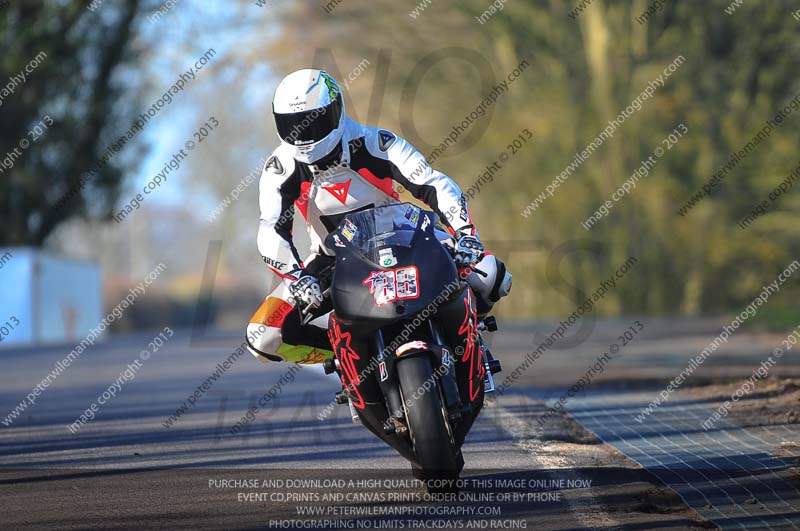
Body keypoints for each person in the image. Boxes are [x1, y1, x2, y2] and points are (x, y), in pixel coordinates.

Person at [245, 69, 511, 364]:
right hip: (333, 259)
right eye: (293, 126)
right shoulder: (279, 168)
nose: (305, 135)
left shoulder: (375, 141)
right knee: (263, 336)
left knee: (492, 275)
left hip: (408, 239)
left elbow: (433, 182)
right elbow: (271, 229)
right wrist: (297, 276)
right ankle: (351, 357)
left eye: (314, 122)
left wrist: (465, 232)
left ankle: (468, 341)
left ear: (336, 110)